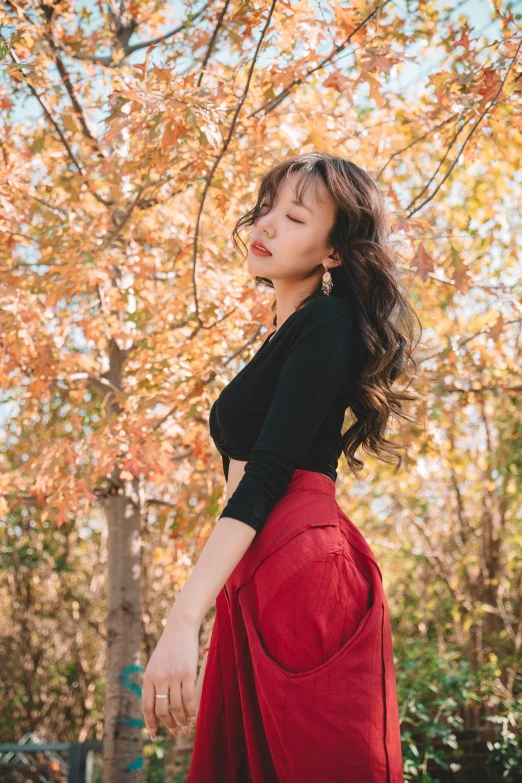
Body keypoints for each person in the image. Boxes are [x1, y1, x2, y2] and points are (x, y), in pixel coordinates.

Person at [142, 152, 422, 782]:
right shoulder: (288, 331)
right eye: (267, 208)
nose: (265, 225)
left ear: (333, 254)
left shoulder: (329, 322)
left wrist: (184, 617)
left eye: (294, 216)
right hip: (257, 567)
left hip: (301, 562)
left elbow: (267, 476)